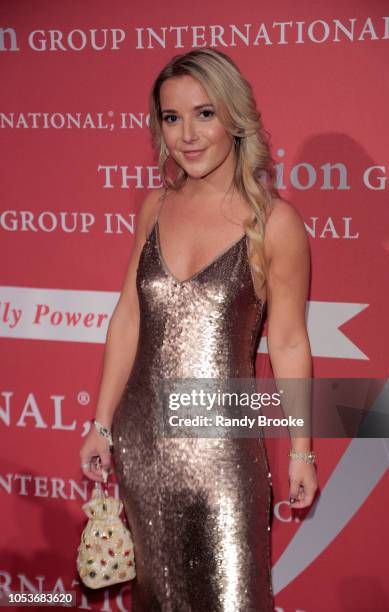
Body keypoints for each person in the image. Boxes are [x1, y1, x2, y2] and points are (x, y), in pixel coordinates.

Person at [79, 48, 318, 611]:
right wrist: (102, 424)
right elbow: (129, 317)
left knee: (233, 596)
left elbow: (287, 342)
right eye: (171, 117)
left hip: (223, 449)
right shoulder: (154, 207)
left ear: (234, 118)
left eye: (204, 114)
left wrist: (301, 450)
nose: (186, 135)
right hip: (141, 443)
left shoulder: (274, 222)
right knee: (157, 596)